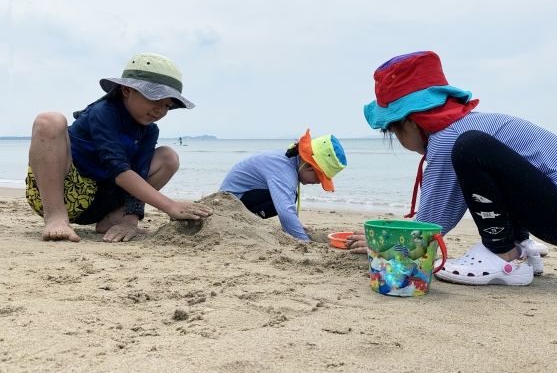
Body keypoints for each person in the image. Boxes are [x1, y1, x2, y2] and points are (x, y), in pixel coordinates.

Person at [350, 50, 557, 285]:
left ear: (410, 123)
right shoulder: (463, 126)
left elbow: (431, 221)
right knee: (479, 157)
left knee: (471, 147)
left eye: (394, 132)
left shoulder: (449, 138)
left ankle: (502, 254)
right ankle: (518, 246)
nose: (399, 141)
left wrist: (390, 244)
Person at [26, 52, 213, 243]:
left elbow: (139, 175)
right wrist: (170, 206)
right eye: (155, 99)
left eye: (167, 105)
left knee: (168, 157)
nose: (160, 110)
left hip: (104, 201)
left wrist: (130, 221)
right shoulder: (104, 112)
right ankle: (56, 218)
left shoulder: (149, 131)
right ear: (126, 90)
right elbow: (119, 170)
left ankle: (115, 219)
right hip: (64, 191)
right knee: (49, 120)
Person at [219, 130, 347, 241]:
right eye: (319, 178)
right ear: (309, 166)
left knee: (290, 197)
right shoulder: (283, 169)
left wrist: (296, 225)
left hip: (240, 196)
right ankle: (243, 221)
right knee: (287, 201)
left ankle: (247, 220)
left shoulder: (289, 161)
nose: (317, 183)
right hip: (229, 202)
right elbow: (285, 211)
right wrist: (304, 241)